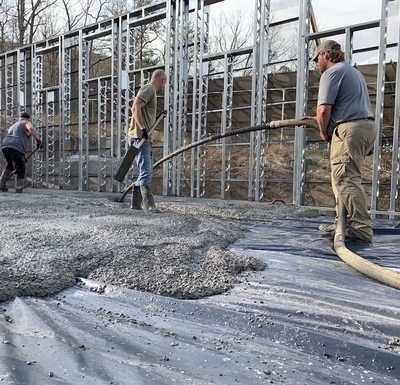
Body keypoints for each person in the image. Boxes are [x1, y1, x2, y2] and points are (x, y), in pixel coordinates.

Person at [305, 40, 376, 243]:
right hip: (364, 127)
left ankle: (361, 230)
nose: (317, 63)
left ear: (326, 55)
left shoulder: (331, 73)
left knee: (345, 178)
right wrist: (316, 121)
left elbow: (324, 110)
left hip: (349, 130)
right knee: (343, 178)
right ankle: (342, 224)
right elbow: (343, 107)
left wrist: (323, 131)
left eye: (317, 58)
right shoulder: (353, 72)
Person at [127, 69, 167, 212]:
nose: (164, 87)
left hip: (140, 136)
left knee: (146, 170)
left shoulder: (150, 92)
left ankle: (136, 204)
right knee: (146, 171)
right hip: (139, 137)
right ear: (162, 80)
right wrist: (143, 129)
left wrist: (156, 119)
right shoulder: (149, 88)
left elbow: (142, 111)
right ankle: (149, 206)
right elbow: (135, 107)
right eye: (165, 83)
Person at [0, 112, 43, 193]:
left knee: (10, 165)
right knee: (20, 168)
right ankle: (19, 188)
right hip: (16, 147)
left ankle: (1, 183)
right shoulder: (26, 122)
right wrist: (38, 140)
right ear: (28, 119)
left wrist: (21, 158)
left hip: (5, 146)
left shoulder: (14, 125)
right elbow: (31, 129)